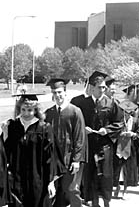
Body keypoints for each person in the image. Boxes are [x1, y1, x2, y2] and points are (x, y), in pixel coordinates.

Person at [3, 94, 66, 207]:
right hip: (17, 179)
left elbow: (51, 157)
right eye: (23, 109)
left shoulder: (44, 128)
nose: (26, 113)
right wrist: (5, 136)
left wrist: (51, 182)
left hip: (39, 180)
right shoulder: (12, 126)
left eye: (30, 110)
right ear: (19, 109)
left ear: (36, 110)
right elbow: (5, 152)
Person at [73, 71, 123, 207]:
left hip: (105, 146)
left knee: (105, 176)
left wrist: (106, 130)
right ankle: (94, 203)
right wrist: (84, 128)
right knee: (91, 175)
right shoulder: (83, 104)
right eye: (99, 87)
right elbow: (76, 122)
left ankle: (106, 202)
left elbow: (119, 123)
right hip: (89, 146)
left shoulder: (112, 103)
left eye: (104, 87)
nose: (102, 90)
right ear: (92, 88)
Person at [45, 79, 87, 207]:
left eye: (59, 92)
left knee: (72, 191)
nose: (57, 95)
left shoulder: (75, 111)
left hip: (70, 158)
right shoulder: (49, 113)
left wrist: (76, 160)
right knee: (56, 194)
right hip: (55, 159)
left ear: (65, 92)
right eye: (54, 92)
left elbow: (80, 137)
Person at [113, 100, 139, 199]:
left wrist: (133, 134)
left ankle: (125, 190)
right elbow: (112, 131)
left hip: (130, 148)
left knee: (128, 169)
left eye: (129, 111)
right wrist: (118, 134)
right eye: (125, 111)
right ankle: (117, 187)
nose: (127, 113)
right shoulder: (118, 120)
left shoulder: (135, 120)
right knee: (116, 169)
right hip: (118, 147)